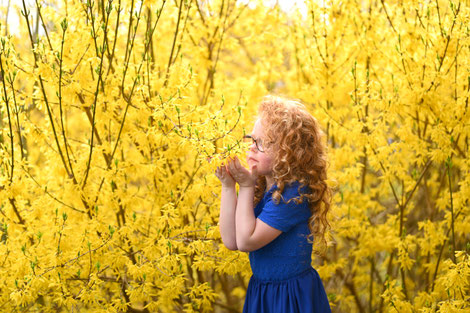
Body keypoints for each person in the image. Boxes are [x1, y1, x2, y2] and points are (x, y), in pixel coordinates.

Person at [215, 95, 332, 312]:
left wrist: (246, 186)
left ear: (289, 153)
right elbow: (232, 240)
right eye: (251, 139)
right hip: (263, 293)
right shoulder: (262, 185)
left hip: (290, 298)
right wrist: (229, 186)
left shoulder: (294, 194)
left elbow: (247, 241)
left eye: (261, 143)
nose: (251, 148)